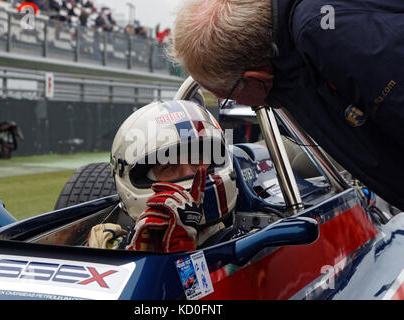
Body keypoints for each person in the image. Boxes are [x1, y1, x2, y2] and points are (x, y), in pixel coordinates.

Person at [168, 0, 404, 211]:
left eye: (229, 96)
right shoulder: (296, 58)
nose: (237, 104)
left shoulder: (326, 31)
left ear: (256, 78)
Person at [86, 100, 239, 252]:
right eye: (168, 166)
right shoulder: (104, 245)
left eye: (197, 159)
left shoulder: (251, 251)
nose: (189, 173)